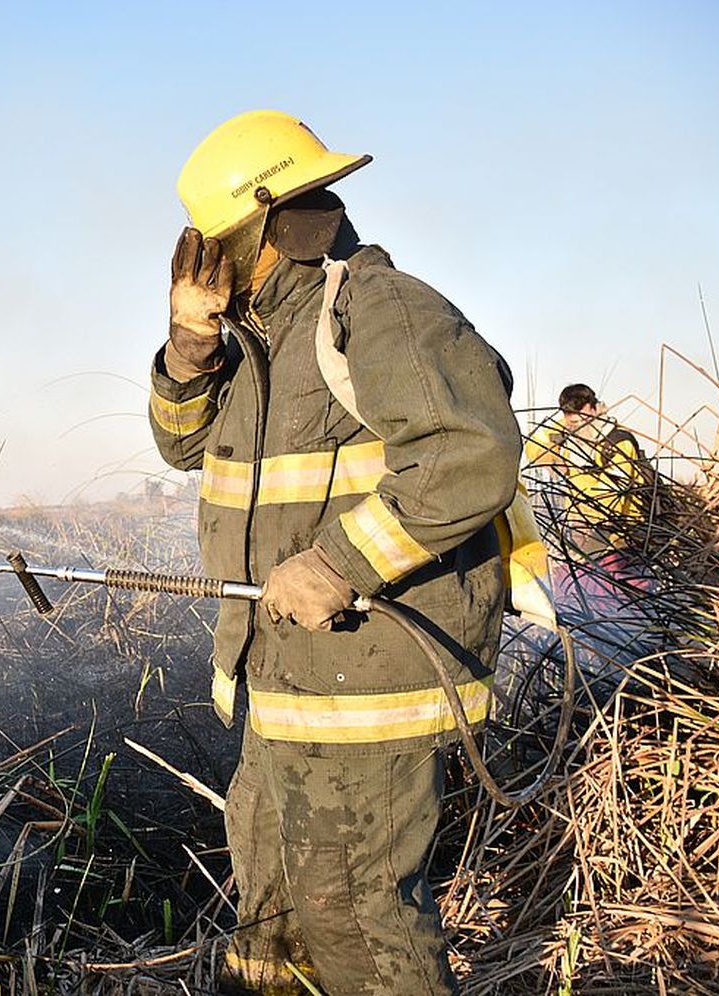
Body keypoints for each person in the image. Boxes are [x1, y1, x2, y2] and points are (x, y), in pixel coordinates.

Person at [148, 110, 522, 995]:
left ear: (266, 228)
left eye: (221, 245)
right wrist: (192, 344)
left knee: (355, 922)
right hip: (280, 679)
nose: (212, 266)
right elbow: (179, 447)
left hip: (364, 679)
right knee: (270, 922)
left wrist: (337, 564)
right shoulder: (256, 343)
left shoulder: (378, 309)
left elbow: (472, 453)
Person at [525, 383, 652, 561]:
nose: (577, 427)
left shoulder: (618, 442)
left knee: (613, 583)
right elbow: (534, 442)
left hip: (621, 536)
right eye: (571, 422)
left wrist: (585, 527)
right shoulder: (568, 432)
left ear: (594, 409)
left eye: (581, 420)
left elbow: (611, 496)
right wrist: (551, 458)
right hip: (580, 529)